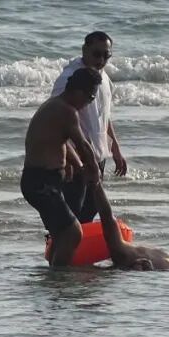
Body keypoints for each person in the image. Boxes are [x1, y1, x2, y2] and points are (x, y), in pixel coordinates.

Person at [21, 67, 103, 267]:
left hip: (41, 181)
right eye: (91, 98)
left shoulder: (55, 106)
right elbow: (82, 145)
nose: (88, 103)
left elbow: (62, 141)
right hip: (41, 183)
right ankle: (60, 277)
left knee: (60, 234)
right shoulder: (66, 111)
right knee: (73, 232)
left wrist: (75, 165)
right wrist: (95, 172)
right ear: (79, 91)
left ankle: (55, 273)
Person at [50, 31, 127, 223]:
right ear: (84, 50)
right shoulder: (69, 78)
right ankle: (58, 242)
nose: (101, 60)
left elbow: (104, 116)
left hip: (98, 155)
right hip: (75, 158)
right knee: (70, 215)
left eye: (106, 55)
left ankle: (81, 242)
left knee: (91, 209)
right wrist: (69, 160)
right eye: (96, 54)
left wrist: (115, 147)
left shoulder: (103, 78)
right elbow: (56, 120)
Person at [91, 184, 169, 270]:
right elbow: (107, 219)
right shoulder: (127, 256)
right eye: (141, 267)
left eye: (140, 266)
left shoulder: (123, 255)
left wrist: (96, 184)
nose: (141, 265)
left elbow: (107, 219)